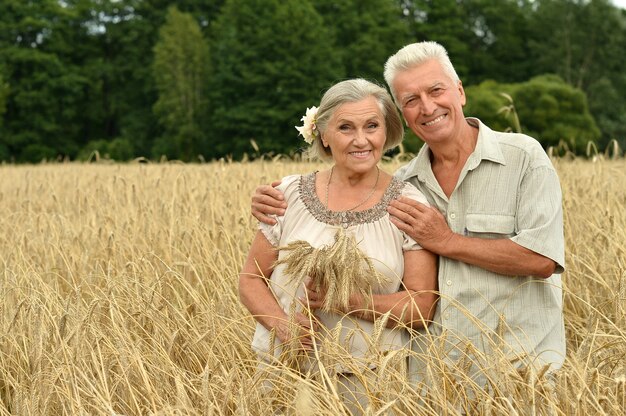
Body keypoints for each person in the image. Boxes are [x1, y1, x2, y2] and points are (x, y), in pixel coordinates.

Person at [251, 42, 566, 390]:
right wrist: (269, 202)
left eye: (436, 90)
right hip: (436, 379)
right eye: (411, 101)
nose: (427, 107)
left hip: (519, 370)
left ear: (459, 92)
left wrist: (447, 241)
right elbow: (253, 275)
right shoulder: (405, 184)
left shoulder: (523, 158)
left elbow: (541, 259)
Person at [239, 78, 438, 413]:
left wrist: (350, 301)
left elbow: (421, 306)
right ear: (323, 135)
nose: (361, 140)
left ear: (386, 133)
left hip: (369, 384)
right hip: (283, 374)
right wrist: (282, 325)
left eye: (372, 126)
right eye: (346, 127)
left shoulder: (408, 203)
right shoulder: (287, 194)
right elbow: (251, 279)